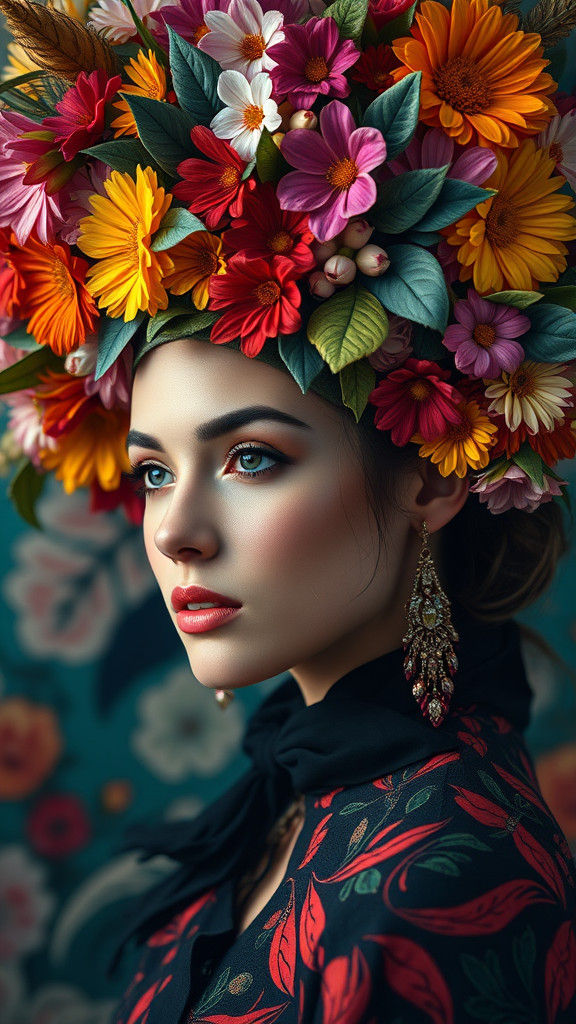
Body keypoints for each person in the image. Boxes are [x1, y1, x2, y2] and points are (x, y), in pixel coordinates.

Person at [0, 0, 576, 1019]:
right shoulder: (299, 793)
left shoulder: (442, 877)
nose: (174, 532)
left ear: (434, 479)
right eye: (155, 472)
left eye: (251, 458)